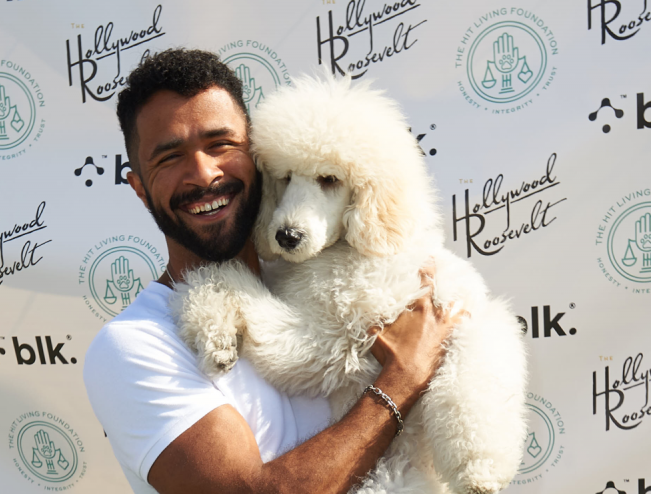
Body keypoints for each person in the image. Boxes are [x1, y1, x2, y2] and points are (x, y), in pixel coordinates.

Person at [83, 49, 458, 494]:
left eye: (221, 144)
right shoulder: (134, 344)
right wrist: (402, 378)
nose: (203, 174)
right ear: (140, 189)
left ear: (259, 157)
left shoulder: (339, 287)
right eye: (170, 158)